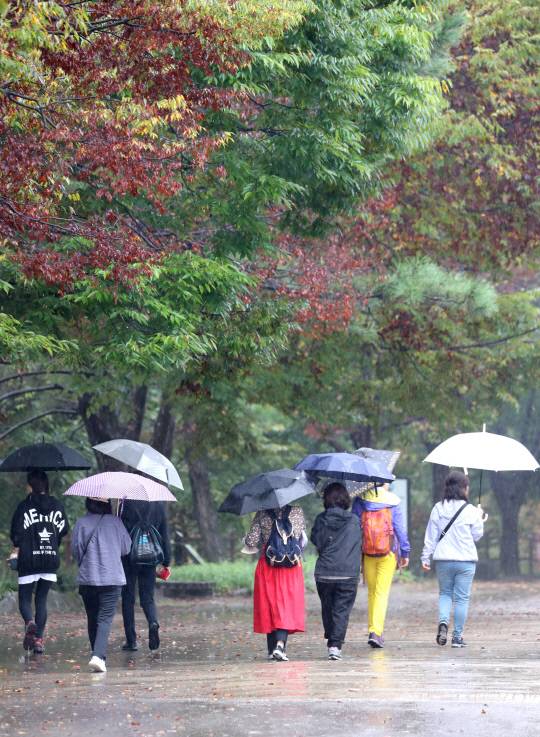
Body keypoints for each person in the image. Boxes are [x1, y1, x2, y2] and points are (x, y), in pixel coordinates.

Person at [421, 471, 486, 648]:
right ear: (464, 488)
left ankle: (443, 622)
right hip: (466, 561)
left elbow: (431, 536)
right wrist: (480, 517)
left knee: (445, 594)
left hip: (444, 560)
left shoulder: (438, 508)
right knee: (462, 599)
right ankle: (457, 638)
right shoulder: (472, 511)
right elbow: (477, 535)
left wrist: (425, 557)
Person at [9, 470, 69, 654]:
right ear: (46, 484)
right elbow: (64, 529)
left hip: (28, 559)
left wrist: (18, 546)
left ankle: (30, 622)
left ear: (30, 485)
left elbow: (16, 534)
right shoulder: (57, 505)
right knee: (41, 600)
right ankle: (39, 641)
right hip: (50, 558)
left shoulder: (23, 507)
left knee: (25, 599)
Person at [71, 497, 131, 673]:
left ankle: (97, 655)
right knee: (104, 619)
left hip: (88, 578)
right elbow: (126, 548)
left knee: (92, 618)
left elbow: (76, 550)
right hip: (111, 578)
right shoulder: (116, 522)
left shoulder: (81, 523)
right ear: (107, 504)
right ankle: (98, 656)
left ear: (88, 503)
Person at [243, 504, 307, 661]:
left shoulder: (262, 513)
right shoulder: (297, 511)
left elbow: (251, 541)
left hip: (269, 564)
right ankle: (280, 645)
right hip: (291, 565)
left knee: (270, 605)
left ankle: (273, 649)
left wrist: (247, 537)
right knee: (286, 605)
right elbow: (300, 538)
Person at [352, 483, 410, 649]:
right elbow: (400, 529)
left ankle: (373, 629)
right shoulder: (393, 501)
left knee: (372, 593)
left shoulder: (360, 500)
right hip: (388, 552)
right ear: (384, 483)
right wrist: (405, 552)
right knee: (381, 593)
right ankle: (375, 632)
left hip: (367, 553)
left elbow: (354, 527)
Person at [310, 483, 361, 660]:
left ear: (326, 499)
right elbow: (357, 544)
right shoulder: (354, 520)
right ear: (345, 498)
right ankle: (335, 645)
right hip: (348, 572)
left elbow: (316, 540)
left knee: (327, 607)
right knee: (341, 610)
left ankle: (332, 637)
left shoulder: (320, 519)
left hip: (324, 572)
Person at [120, 499, 171, 652]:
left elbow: (120, 532)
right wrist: (166, 560)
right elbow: (164, 534)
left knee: (128, 598)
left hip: (129, 557)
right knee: (147, 597)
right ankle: (153, 622)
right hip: (150, 556)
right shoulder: (158, 505)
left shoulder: (126, 504)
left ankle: (131, 641)